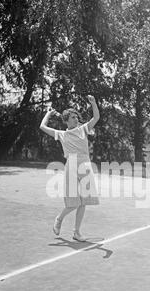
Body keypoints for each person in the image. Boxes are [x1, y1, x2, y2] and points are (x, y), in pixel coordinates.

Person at [40, 95, 100, 242]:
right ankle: (59, 219)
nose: (76, 119)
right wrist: (48, 113)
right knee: (73, 202)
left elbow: (96, 117)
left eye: (76, 117)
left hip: (85, 164)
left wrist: (93, 103)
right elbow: (42, 127)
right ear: (66, 120)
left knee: (85, 201)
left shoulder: (83, 129)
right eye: (72, 117)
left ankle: (76, 232)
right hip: (71, 165)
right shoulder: (62, 134)